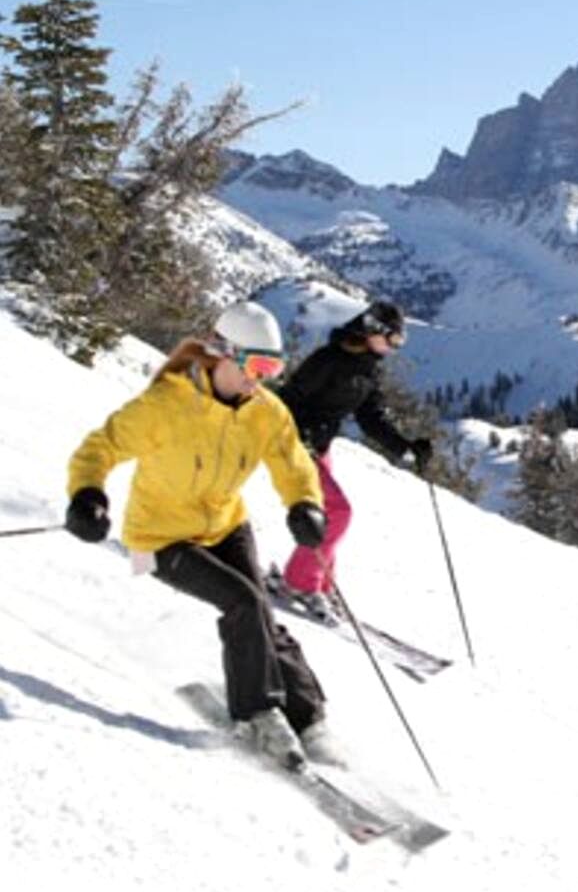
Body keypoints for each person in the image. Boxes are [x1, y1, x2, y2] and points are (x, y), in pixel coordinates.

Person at [65, 300, 340, 770]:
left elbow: (292, 462)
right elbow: (101, 447)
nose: (261, 377)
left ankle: (307, 716)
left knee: (260, 616)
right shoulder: (167, 404)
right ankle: (255, 715)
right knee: (243, 602)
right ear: (221, 353)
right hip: (158, 539)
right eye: (255, 364)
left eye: (272, 367)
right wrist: (87, 495)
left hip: (225, 525)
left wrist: (304, 504)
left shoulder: (266, 412)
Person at [274, 299, 432, 624]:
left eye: (399, 342)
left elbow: (372, 418)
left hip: (319, 447)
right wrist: (299, 438)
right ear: (374, 330)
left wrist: (406, 448)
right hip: (295, 444)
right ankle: (298, 583)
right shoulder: (328, 360)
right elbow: (289, 398)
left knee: (327, 519)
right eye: (393, 339)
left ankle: (319, 582)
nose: (394, 347)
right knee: (337, 512)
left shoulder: (368, 369)